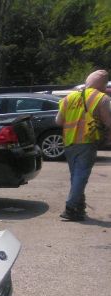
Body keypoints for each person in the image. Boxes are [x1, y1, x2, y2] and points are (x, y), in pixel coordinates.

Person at [55, 69, 111, 221]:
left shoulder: (69, 97)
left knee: (76, 175)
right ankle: (71, 207)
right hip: (87, 141)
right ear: (103, 84)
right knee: (81, 175)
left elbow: (58, 121)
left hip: (69, 141)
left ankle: (79, 207)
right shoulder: (102, 98)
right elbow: (108, 123)